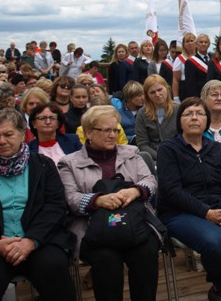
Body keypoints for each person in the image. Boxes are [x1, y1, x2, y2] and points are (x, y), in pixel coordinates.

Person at [0, 108, 76, 301]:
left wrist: (30, 241)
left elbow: (55, 207)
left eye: (8, 134)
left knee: (53, 267)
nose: (2, 141)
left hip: (39, 241)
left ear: (22, 134)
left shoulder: (42, 165)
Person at [157, 97, 221, 301]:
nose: (194, 118)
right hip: (180, 212)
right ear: (180, 121)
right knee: (217, 242)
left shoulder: (218, 149)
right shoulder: (168, 149)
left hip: (220, 205)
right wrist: (207, 213)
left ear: (207, 120)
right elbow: (172, 191)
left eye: (200, 114)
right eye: (188, 114)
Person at [58, 105, 159, 301]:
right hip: (93, 228)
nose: (113, 135)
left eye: (116, 130)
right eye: (106, 130)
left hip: (134, 223)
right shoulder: (69, 162)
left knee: (146, 253)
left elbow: (150, 180)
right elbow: (70, 197)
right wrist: (98, 200)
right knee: (107, 260)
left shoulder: (131, 152)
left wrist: (135, 190)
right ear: (88, 132)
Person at [135, 75, 180, 160]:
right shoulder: (142, 114)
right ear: (147, 95)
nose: (157, 94)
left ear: (167, 88)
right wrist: (161, 157)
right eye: (152, 92)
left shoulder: (179, 110)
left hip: (178, 156)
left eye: (160, 90)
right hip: (155, 159)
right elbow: (143, 145)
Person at [182, 34, 211, 99]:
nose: (203, 44)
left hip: (213, 94)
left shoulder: (214, 59)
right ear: (196, 44)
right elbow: (190, 84)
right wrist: (195, 99)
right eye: (201, 42)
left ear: (209, 44)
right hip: (199, 95)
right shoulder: (190, 62)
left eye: (206, 42)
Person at [172, 33, 197, 101]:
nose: (190, 43)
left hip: (199, 87)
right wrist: (176, 97)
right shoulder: (179, 59)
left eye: (192, 40)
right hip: (185, 89)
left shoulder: (200, 57)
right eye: (187, 41)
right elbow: (175, 79)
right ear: (183, 45)